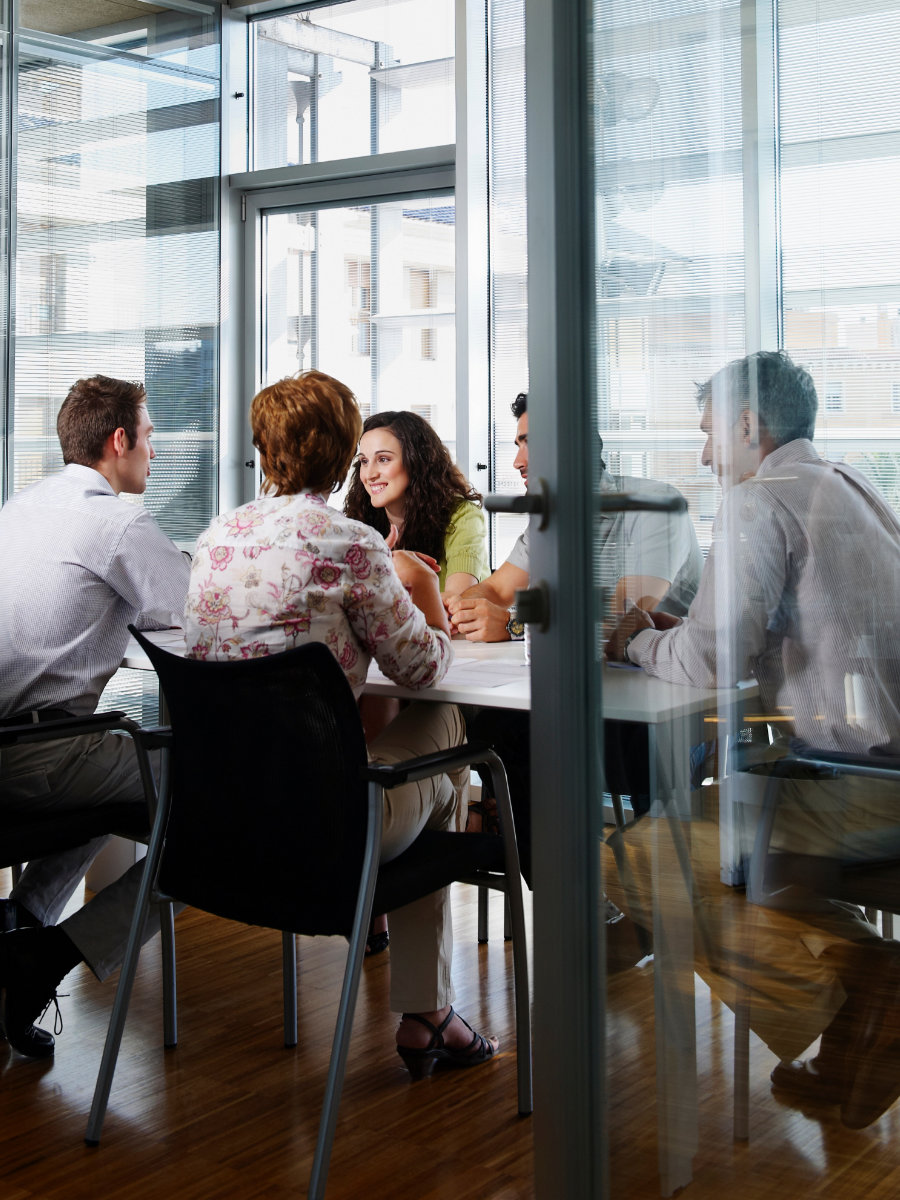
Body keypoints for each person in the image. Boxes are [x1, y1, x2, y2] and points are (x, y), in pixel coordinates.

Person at [606, 350, 900, 1128]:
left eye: (709, 434)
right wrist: (687, 633)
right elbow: (778, 627)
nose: (705, 455)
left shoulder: (756, 498)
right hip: (878, 771)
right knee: (713, 830)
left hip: (857, 785)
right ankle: (859, 1029)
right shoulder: (853, 484)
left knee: (639, 855)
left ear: (747, 426)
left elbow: (710, 658)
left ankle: (867, 990)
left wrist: (636, 641)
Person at [183, 369, 498, 1075]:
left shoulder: (216, 537)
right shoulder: (351, 545)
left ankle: (429, 1012)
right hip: (322, 829)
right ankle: (427, 1012)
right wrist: (423, 595)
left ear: (266, 451)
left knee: (423, 781)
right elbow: (422, 670)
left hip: (220, 819)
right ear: (343, 449)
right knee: (443, 746)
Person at [0, 374, 191, 1058]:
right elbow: (194, 624)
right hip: (44, 755)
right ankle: (46, 956)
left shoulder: (17, 510)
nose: (155, 454)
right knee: (213, 805)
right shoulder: (116, 523)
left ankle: (18, 919)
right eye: (149, 439)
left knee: (121, 764)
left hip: (24, 751)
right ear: (119, 441)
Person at [445, 391, 702, 869]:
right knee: (500, 728)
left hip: (666, 716)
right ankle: (561, 887)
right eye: (517, 444)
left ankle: (636, 893)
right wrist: (452, 605)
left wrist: (518, 624)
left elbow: (626, 622)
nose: (518, 460)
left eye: (529, 444)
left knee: (524, 732)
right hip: (593, 706)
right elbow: (498, 591)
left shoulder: (651, 505)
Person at [344, 409, 488, 598]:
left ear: (417, 461)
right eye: (364, 461)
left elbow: (455, 600)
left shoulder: (461, 514)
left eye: (383, 459)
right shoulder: (360, 519)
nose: (369, 474)